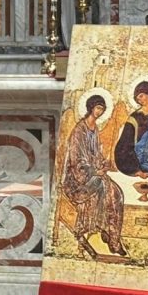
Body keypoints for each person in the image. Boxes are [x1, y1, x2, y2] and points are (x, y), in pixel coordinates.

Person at [60, 94, 127, 258]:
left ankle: (112, 236)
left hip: (93, 173)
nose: (99, 112)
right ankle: (103, 232)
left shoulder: (94, 129)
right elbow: (76, 160)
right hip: (77, 179)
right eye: (97, 108)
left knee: (116, 193)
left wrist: (103, 164)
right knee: (102, 186)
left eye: (102, 109)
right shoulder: (79, 130)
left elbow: (96, 153)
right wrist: (94, 171)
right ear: (91, 107)